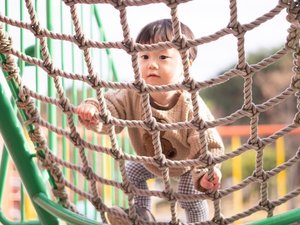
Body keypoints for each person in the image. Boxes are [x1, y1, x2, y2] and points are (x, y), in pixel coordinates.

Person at [76, 19, 224, 224]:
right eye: (144, 56)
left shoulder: (190, 105)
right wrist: (94, 110)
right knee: (131, 170)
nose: (151, 64)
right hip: (152, 161)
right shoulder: (133, 93)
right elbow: (111, 105)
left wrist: (208, 172)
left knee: (189, 194)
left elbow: (209, 143)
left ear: (186, 64)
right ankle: (141, 215)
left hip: (189, 163)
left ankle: (198, 222)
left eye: (163, 56)